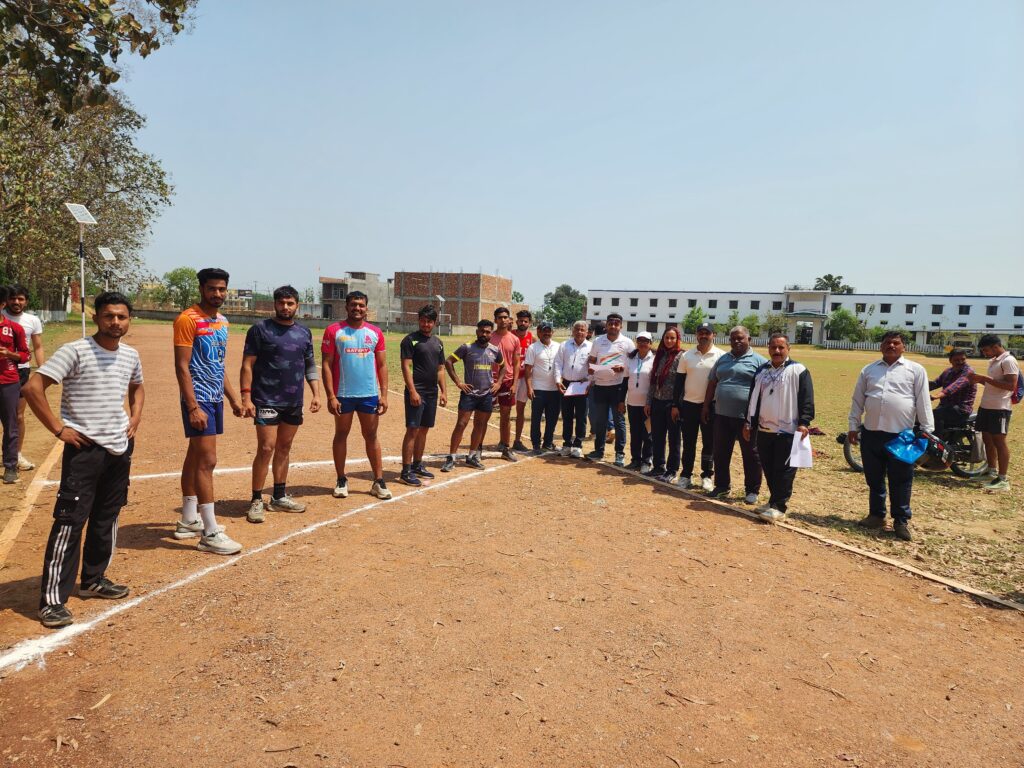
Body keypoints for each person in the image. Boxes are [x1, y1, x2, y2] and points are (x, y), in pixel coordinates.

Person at [24, 292, 144, 628]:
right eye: (109, 316)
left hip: (119, 448)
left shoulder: (131, 355)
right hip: (84, 448)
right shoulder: (75, 351)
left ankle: (93, 579)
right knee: (70, 520)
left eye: (121, 317)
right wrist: (59, 430)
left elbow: (138, 387)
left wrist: (135, 416)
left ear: (129, 318)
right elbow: (33, 388)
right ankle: (51, 601)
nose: (115, 322)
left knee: (108, 514)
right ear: (97, 318)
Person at [174, 267, 245, 555]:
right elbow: (181, 366)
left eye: (222, 289)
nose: (218, 294)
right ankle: (210, 532)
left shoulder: (222, 322)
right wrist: (192, 406)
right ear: (202, 288)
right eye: (212, 288)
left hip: (215, 397)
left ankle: (188, 520)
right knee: (208, 460)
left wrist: (233, 399)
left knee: (195, 456)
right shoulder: (187, 319)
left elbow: (219, 364)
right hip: (198, 399)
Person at [240, 285, 322, 523]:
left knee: (284, 447)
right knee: (266, 448)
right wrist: (246, 397)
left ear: (297, 305)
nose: (285, 307)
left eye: (290, 303)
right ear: (274, 304)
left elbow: (309, 365)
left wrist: (316, 393)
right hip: (266, 398)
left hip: (293, 400)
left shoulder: (304, 333)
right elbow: (247, 364)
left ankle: (278, 496)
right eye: (281, 303)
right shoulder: (260, 330)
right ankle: (256, 499)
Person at [847, 331, 934, 541]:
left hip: (902, 437)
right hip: (872, 434)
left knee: (901, 479)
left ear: (904, 346)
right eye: (887, 343)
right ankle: (876, 515)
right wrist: (853, 425)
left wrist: (927, 430)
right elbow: (858, 400)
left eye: (896, 343)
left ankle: (901, 521)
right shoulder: (869, 370)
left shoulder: (915, 370)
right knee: (874, 478)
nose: (891, 346)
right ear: (881, 346)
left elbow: (923, 401)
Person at [321, 290, 391, 500]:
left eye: (361, 305)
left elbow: (382, 365)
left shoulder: (375, 332)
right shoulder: (334, 331)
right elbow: (326, 364)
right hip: (343, 394)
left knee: (371, 436)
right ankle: (341, 479)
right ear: (346, 307)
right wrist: (331, 396)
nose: (357, 308)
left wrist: (384, 395)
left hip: (369, 394)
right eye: (353, 305)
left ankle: (378, 481)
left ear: (366, 307)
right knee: (341, 434)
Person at [743, 334, 815, 522]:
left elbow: (807, 399)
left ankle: (779, 507)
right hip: (765, 429)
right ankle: (772, 501)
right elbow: (752, 399)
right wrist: (749, 422)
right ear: (768, 348)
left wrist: (804, 422)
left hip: (788, 430)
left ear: (788, 349)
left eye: (781, 348)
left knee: (784, 470)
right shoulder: (761, 371)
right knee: (768, 467)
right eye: (773, 347)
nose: (777, 351)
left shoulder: (799, 370)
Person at [703, 326, 767, 503]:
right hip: (722, 414)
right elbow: (712, 383)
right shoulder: (723, 359)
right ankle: (722, 486)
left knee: (751, 455)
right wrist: (706, 406)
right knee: (721, 452)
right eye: (733, 339)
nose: (736, 341)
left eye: (740, 338)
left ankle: (752, 490)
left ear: (749, 339)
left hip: (746, 417)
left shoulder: (760, 362)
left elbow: (766, 390)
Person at [441, 320, 505, 472]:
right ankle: (451, 457)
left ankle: (472, 456)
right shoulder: (467, 347)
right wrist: (458, 383)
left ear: (491, 333)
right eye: (482, 331)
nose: (484, 334)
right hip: (469, 393)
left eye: (488, 332)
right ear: (477, 332)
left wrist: (498, 383)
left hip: (486, 394)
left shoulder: (494, 350)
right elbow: (448, 362)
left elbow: (503, 367)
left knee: (480, 425)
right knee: (461, 424)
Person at [399, 305, 448, 486]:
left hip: (432, 393)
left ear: (434, 323)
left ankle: (417, 465)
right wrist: (412, 390)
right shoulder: (410, 340)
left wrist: (443, 391)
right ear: (418, 320)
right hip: (417, 392)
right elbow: (406, 367)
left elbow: (441, 370)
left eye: (429, 321)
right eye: (423, 320)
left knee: (424, 429)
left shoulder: (438, 343)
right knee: (413, 429)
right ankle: (406, 470)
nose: (425, 324)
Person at [672, 322, 723, 490]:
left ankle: (707, 475)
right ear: (696, 335)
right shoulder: (687, 356)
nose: (703, 336)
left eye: (707, 333)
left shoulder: (721, 356)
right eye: (700, 333)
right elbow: (678, 383)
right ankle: (686, 474)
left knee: (709, 443)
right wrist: (675, 405)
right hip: (689, 405)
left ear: (713, 335)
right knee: (688, 442)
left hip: (710, 406)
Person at [968, 334, 1019, 492]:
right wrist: (979, 379)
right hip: (986, 405)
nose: (984, 353)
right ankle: (991, 472)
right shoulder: (994, 360)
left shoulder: (1008, 360)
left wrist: (985, 378)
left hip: (1000, 408)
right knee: (987, 439)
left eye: (986, 350)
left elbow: (1011, 386)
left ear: (996, 346)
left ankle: (1003, 479)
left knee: (999, 442)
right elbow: (994, 383)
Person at [4, 284, 45, 472]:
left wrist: (43, 371)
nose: (16, 302)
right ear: (6, 301)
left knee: (18, 416)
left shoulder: (32, 320)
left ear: (26, 301)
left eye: (20, 299)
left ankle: (16, 454)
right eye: (13, 298)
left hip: (21, 372)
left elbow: (37, 347)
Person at [587, 313, 635, 466]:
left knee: (619, 421)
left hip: (618, 387)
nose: (613, 326)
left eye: (616, 324)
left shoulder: (627, 343)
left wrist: (623, 368)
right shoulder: (598, 341)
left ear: (621, 326)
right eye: (610, 323)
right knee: (600, 421)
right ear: (606, 325)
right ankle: (598, 451)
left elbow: (633, 364)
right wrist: (594, 370)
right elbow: (591, 363)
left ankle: (619, 454)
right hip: (600, 386)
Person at [644, 326, 683, 482]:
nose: (669, 341)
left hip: (672, 404)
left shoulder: (681, 356)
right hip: (657, 402)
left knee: (674, 438)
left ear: (677, 339)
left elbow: (682, 384)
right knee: (657, 436)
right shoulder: (659, 355)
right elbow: (653, 382)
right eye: (667, 337)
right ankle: (659, 466)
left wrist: (677, 405)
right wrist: (649, 402)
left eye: (672, 338)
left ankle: (672, 470)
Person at [0, 286, 30, 484]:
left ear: (2, 305)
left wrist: (10, 354)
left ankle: (10, 466)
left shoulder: (14, 328)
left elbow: (26, 354)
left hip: (8, 382)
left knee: (10, 424)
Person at [554, 320, 592, 458]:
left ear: (587, 332)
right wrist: (558, 380)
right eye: (577, 329)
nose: (580, 332)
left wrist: (588, 380)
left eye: (583, 330)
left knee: (581, 416)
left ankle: (578, 445)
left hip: (582, 386)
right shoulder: (564, 345)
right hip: (566, 384)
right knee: (567, 415)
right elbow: (558, 363)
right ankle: (567, 444)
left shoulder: (591, 347)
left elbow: (594, 367)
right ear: (573, 331)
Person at [523, 321, 561, 453]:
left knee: (552, 418)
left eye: (549, 330)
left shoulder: (558, 346)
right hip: (538, 389)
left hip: (555, 390)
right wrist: (529, 387)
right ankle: (536, 443)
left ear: (552, 332)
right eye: (543, 330)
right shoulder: (533, 348)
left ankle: (548, 442)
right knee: (536, 418)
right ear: (538, 332)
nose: (546, 333)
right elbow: (528, 369)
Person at [489, 307, 520, 461]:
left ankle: (505, 446)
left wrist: (514, 383)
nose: (503, 320)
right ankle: (478, 448)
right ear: (495, 320)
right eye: (500, 317)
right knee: (484, 415)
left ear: (509, 320)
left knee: (506, 415)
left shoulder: (514, 339)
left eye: (505, 317)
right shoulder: (489, 337)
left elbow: (516, 363)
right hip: (489, 381)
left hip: (507, 382)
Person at [620, 331, 654, 472]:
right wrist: (621, 400)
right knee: (635, 433)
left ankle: (646, 461)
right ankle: (635, 459)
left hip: (648, 405)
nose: (642, 343)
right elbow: (625, 381)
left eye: (645, 341)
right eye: (640, 340)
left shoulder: (655, 359)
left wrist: (650, 402)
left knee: (647, 434)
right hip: (633, 403)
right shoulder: (631, 359)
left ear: (650, 343)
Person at [928, 349, 975, 435]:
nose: (960, 362)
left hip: (961, 409)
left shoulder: (969, 372)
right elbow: (935, 384)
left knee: (934, 415)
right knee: (925, 414)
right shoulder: (948, 372)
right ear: (950, 360)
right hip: (946, 407)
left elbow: (955, 386)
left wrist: (936, 396)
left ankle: (936, 443)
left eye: (963, 359)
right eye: (957, 360)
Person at [512, 309, 535, 452]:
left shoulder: (532, 338)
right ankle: (503, 440)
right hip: (511, 378)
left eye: (525, 321)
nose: (523, 323)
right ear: (517, 322)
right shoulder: (511, 335)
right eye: (520, 320)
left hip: (524, 378)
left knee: (520, 410)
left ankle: (517, 440)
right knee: (506, 410)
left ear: (529, 323)